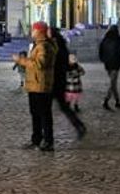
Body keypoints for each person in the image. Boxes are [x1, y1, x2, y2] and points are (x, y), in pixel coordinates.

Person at [12, 20, 56, 152]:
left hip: (41, 86)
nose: (31, 32)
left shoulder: (44, 46)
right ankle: (36, 139)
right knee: (36, 114)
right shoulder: (38, 45)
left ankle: (48, 141)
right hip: (35, 85)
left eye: (33, 30)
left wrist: (21, 60)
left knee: (43, 114)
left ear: (39, 32)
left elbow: (39, 65)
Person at [50, 27, 86, 139]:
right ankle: (79, 125)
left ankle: (44, 136)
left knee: (47, 109)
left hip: (55, 81)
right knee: (63, 107)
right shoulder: (61, 47)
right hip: (59, 81)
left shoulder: (57, 48)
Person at [98, 24, 120, 110]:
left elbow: (100, 51)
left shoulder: (104, 39)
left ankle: (117, 101)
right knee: (112, 83)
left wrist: (103, 60)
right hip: (115, 64)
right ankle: (106, 100)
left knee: (113, 83)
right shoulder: (118, 40)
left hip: (108, 64)